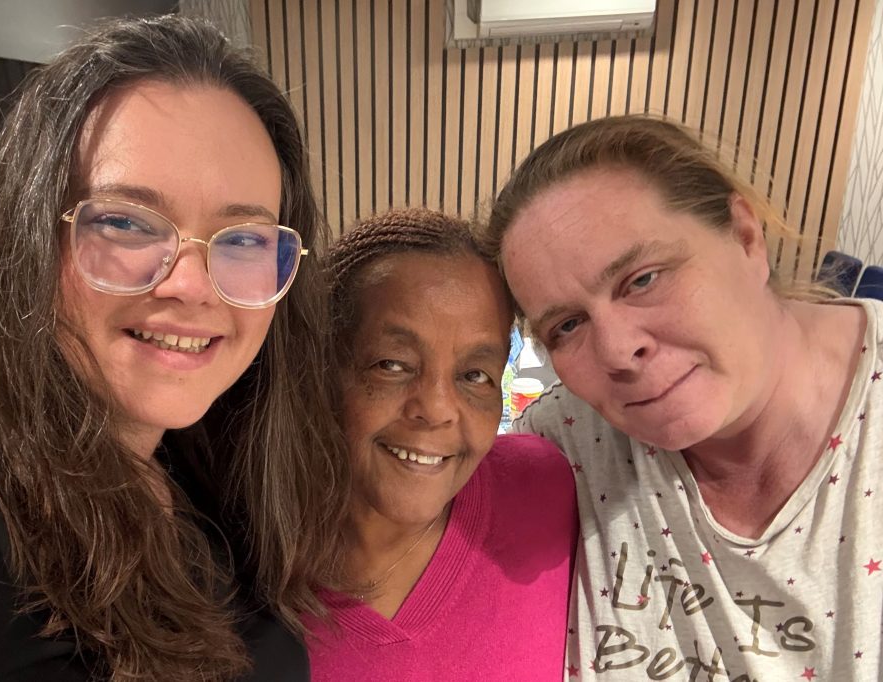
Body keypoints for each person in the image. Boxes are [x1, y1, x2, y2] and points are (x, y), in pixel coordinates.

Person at [0, 15, 349, 682]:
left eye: (241, 239)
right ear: (28, 234)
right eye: (124, 222)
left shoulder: (219, 476)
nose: (191, 285)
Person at [482, 114, 881, 680]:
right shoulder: (565, 448)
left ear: (745, 235)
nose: (618, 351)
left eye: (643, 279)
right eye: (567, 326)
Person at [305, 208, 578, 681]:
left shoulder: (545, 490)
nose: (436, 409)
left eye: (474, 376)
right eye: (391, 364)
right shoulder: (235, 572)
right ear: (322, 367)